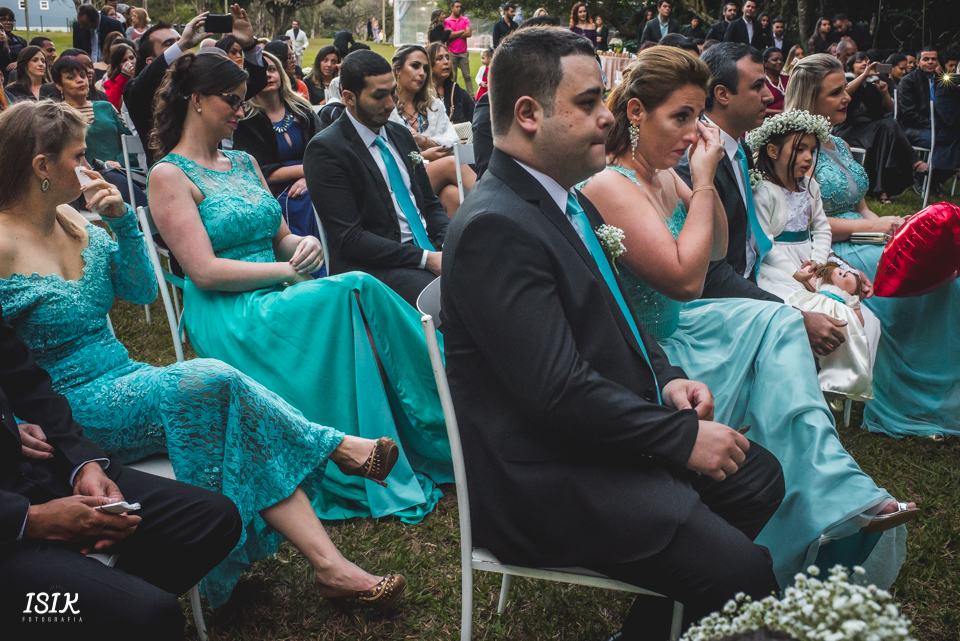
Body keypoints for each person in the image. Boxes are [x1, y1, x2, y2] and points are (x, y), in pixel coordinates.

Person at [0, 99, 409, 614]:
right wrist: (13, 422)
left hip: (126, 376)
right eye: (81, 156)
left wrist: (123, 221)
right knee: (209, 380)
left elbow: (141, 290)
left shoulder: (74, 223)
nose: (95, 168)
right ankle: (335, 449)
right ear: (41, 166)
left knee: (231, 415)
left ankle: (331, 566)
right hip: (64, 408)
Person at [443, 28, 786, 640]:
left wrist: (670, 380)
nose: (608, 117)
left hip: (598, 440)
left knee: (757, 478)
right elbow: (556, 395)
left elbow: (619, 317)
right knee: (746, 574)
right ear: (528, 114)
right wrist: (680, 438)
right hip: (550, 480)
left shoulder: (563, 201)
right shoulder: (496, 226)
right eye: (587, 103)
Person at [580, 45, 910, 591]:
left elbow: (720, 250)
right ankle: (829, 493)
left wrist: (697, 180)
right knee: (779, 327)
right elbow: (687, 278)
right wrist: (705, 181)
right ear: (635, 113)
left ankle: (830, 484)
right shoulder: (614, 185)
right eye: (679, 118)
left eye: (695, 118)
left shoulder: (664, 174)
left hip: (691, 322)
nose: (691, 133)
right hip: (658, 351)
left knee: (779, 325)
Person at [147, 51, 455, 525]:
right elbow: (203, 271)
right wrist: (286, 271)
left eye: (243, 101)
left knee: (352, 293)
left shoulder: (244, 161)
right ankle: (446, 409)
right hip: (230, 312)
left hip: (277, 290)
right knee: (355, 287)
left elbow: (279, 236)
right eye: (232, 100)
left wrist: (302, 242)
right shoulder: (168, 175)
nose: (240, 110)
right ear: (197, 101)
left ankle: (433, 416)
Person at [0, 302, 243, 640]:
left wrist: (83, 464)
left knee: (215, 519)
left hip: (33, 469)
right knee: (152, 616)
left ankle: (101, 602)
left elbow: (26, 383)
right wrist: (36, 521)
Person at [786, 53, 960, 438]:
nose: (848, 97)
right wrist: (874, 228)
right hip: (829, 250)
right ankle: (912, 397)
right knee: (919, 280)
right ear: (810, 98)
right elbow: (802, 220)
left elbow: (861, 205)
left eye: (844, 87)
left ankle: (942, 385)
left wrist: (890, 227)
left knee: (941, 270)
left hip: (863, 234)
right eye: (835, 93)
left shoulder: (838, 144)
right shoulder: (797, 148)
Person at [675, 44, 854, 361]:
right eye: (757, 86)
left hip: (761, 272)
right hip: (717, 300)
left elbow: (759, 237)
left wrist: (830, 268)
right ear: (722, 94)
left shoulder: (738, 145)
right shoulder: (698, 162)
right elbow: (713, 272)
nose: (771, 96)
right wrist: (792, 314)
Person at [303, 49, 449, 306]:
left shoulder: (399, 135)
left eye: (392, 92)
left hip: (426, 253)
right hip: (371, 269)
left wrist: (447, 244)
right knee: (450, 297)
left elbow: (429, 203)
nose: (391, 104)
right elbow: (350, 239)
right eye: (379, 96)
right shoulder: (326, 150)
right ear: (348, 97)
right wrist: (425, 258)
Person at [749, 110, 877, 401]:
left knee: (858, 311)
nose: (808, 157)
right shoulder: (764, 191)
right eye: (800, 149)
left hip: (811, 261)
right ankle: (818, 381)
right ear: (772, 150)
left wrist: (819, 262)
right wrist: (794, 273)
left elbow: (821, 229)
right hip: (777, 268)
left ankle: (841, 381)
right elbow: (764, 241)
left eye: (812, 150)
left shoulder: (810, 187)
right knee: (819, 308)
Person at [125, 8, 267, 167]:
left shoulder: (202, 83)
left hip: (218, 170)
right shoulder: (137, 91)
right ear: (150, 61)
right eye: (169, 44)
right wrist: (182, 43)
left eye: (179, 40)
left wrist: (249, 45)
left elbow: (254, 83)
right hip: (171, 179)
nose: (182, 46)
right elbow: (141, 86)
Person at [234, 51, 323, 241]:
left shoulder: (303, 110)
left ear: (281, 74)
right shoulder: (246, 120)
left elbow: (325, 151)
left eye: (272, 69)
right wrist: (308, 171)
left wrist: (310, 179)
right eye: (261, 72)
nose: (268, 75)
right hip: (272, 189)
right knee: (304, 201)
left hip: (314, 179)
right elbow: (259, 171)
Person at [388, 45, 476, 217]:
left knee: (453, 197)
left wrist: (422, 142)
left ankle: (454, 243)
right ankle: (494, 204)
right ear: (397, 70)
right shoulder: (387, 107)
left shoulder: (433, 105)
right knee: (451, 164)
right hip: (401, 179)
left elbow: (451, 140)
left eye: (425, 68)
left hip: (433, 178)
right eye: (415, 66)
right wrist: (426, 155)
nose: (422, 73)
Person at [836, 53, 925, 204]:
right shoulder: (845, 80)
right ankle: (913, 163)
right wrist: (864, 75)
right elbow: (844, 94)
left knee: (886, 131)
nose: (864, 63)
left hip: (873, 128)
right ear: (851, 66)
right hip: (849, 128)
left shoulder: (876, 81)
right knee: (888, 127)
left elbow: (889, 110)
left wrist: (884, 93)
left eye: (866, 60)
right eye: (859, 61)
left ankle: (881, 190)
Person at [51, 56, 130, 168]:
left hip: (118, 173)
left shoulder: (106, 107)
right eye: (71, 77)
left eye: (83, 75)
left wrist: (120, 163)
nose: (80, 80)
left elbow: (129, 140)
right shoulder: (57, 114)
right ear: (59, 85)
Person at [896, 46, 939, 148]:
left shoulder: (941, 80)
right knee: (941, 140)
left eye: (933, 59)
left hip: (936, 126)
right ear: (917, 63)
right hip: (912, 127)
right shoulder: (908, 81)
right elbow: (909, 113)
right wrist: (932, 124)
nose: (930, 62)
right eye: (926, 59)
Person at [427, 42, 475, 124]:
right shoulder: (420, 95)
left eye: (447, 57)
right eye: (439, 58)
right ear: (428, 64)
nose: (446, 62)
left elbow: (476, 122)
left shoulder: (459, 93)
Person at [445, 1, 473, 94]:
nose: (459, 8)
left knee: (467, 76)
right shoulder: (447, 21)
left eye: (460, 7)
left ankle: (471, 96)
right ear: (452, 8)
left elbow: (468, 33)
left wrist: (455, 33)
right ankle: (453, 95)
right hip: (451, 52)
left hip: (463, 52)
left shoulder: (465, 19)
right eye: (457, 7)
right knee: (453, 77)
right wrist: (462, 31)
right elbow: (448, 36)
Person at [101, 43, 138, 110]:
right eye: (124, 61)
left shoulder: (143, 75)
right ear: (117, 65)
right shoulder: (109, 84)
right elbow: (112, 105)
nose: (129, 62)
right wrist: (124, 77)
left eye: (131, 58)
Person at [0, 7, 27, 72]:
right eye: (4, 20)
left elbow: (28, 57)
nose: (9, 23)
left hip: (20, 76)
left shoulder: (21, 41)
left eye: (11, 20)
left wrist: (18, 63)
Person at [762, 47, 788, 113]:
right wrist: (782, 113)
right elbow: (759, 109)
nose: (779, 62)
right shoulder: (761, 82)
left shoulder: (788, 79)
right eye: (775, 60)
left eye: (781, 60)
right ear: (765, 63)